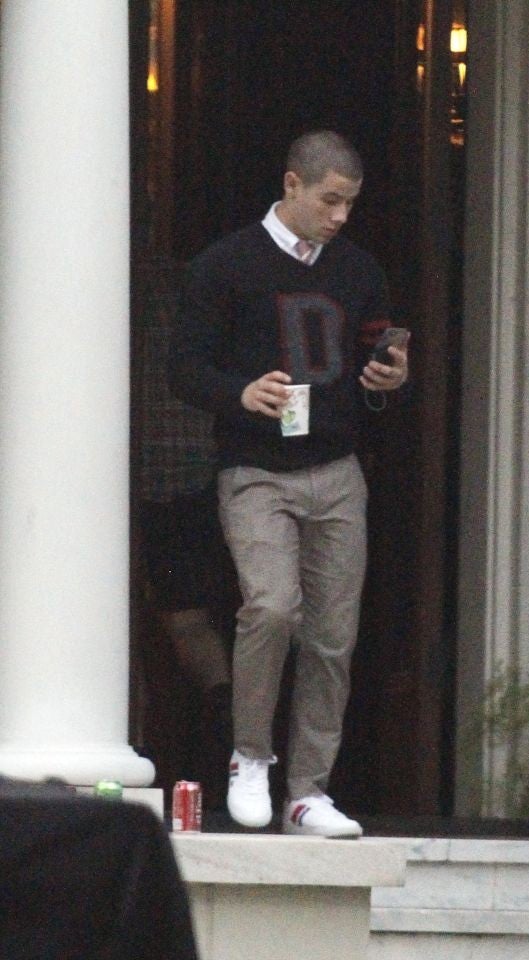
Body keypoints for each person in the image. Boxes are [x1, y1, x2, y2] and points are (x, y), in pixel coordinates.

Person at [169, 130, 408, 837]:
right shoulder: (226, 265)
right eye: (330, 200)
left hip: (337, 469)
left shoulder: (359, 270)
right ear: (292, 184)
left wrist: (388, 378)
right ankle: (250, 757)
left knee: (333, 635)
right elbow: (183, 367)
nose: (340, 216)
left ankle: (308, 792)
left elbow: (371, 365)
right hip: (254, 470)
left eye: (350, 204)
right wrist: (241, 393)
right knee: (271, 608)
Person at [133, 267, 237, 801]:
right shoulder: (201, 305)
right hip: (178, 488)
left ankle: (223, 722)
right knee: (186, 618)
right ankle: (222, 715)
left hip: (172, 492)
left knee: (185, 616)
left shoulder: (163, 307)